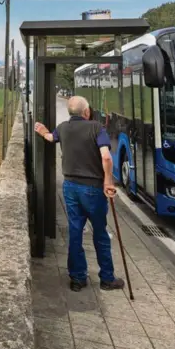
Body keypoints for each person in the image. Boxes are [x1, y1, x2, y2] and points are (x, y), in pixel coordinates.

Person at [34, 96, 126, 292]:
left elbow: (51, 138)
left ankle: (77, 279)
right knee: (100, 233)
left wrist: (42, 132)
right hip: (93, 188)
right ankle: (107, 278)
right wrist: (108, 181)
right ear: (86, 112)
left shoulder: (63, 127)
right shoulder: (96, 127)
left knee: (75, 232)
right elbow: (106, 157)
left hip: (70, 187)